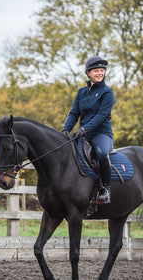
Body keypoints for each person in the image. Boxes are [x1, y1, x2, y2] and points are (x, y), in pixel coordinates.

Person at [62, 56, 116, 204]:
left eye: (102, 70)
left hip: (101, 134)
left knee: (101, 153)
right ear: (88, 73)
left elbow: (101, 116)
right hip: (83, 134)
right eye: (96, 71)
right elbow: (74, 113)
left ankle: (106, 189)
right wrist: (65, 130)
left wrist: (84, 129)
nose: (100, 73)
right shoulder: (81, 92)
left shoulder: (107, 93)